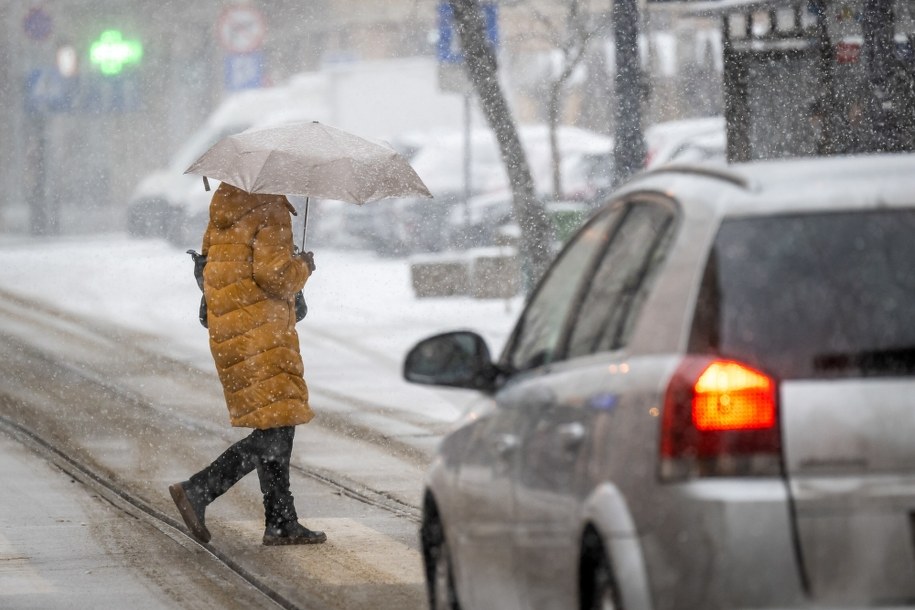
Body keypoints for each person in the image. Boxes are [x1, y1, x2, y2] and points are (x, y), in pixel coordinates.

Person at [169, 182, 325, 546]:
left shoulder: (226, 204)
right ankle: (199, 490)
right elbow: (275, 276)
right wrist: (303, 266)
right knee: (275, 431)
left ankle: (281, 521)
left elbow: (213, 266)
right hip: (262, 333)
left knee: (275, 424)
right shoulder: (271, 210)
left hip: (232, 330)